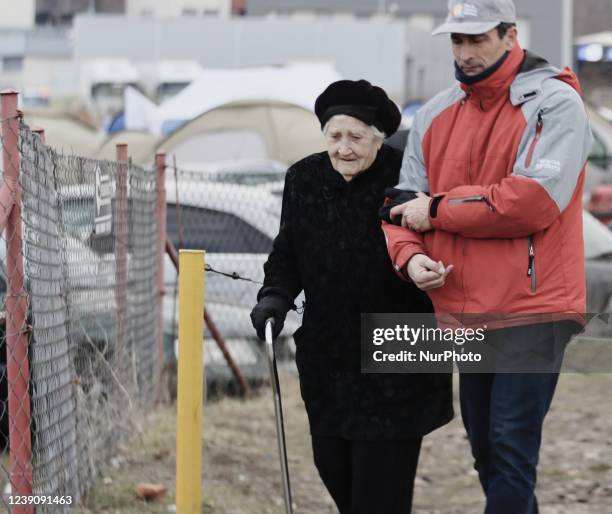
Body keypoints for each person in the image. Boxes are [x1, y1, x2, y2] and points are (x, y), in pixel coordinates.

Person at [382, 1, 592, 513]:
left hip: (535, 307)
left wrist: (434, 211)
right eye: (457, 40)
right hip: (466, 310)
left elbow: (530, 202)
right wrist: (409, 258)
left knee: (510, 448)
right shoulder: (433, 114)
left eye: (478, 39)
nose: (466, 51)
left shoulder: (555, 103)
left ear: (509, 35)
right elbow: (396, 207)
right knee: (487, 453)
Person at [250, 79, 453, 514]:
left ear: (377, 138)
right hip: (330, 354)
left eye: (356, 137)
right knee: (334, 467)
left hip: (399, 348)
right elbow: (287, 254)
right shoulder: (303, 179)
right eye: (334, 136)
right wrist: (275, 298)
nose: (343, 148)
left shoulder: (406, 176)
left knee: (379, 492)